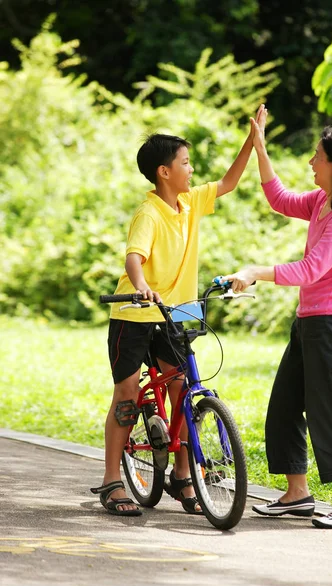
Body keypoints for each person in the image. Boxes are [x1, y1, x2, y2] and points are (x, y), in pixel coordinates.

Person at [91, 108, 262, 516]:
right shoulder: (149, 213)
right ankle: (112, 481)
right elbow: (135, 256)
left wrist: (253, 142)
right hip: (135, 315)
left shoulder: (190, 202)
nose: (191, 170)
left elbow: (229, 182)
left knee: (183, 390)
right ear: (163, 172)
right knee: (128, 396)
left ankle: (183, 476)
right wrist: (141, 285)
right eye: (184, 163)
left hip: (175, 314)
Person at [221, 108, 332, 530]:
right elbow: (279, 199)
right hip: (310, 323)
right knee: (284, 407)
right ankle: (297, 494)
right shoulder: (325, 203)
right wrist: (259, 146)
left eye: (317, 156)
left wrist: (255, 271)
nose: (311, 161)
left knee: (328, 412)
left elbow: (310, 270)